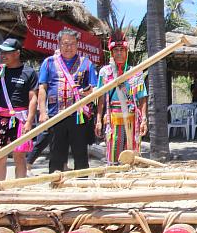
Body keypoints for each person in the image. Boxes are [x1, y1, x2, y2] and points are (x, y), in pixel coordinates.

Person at [37, 29, 97, 174]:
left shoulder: (86, 63)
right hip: (56, 116)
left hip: (79, 117)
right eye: (65, 44)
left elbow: (95, 90)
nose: (68, 47)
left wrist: (88, 93)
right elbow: (42, 88)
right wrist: (43, 112)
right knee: (56, 154)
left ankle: (82, 187)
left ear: (78, 45)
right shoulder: (49, 63)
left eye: (72, 44)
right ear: (58, 44)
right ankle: (55, 187)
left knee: (80, 154)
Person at [0, 38, 38, 181]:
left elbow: (33, 99)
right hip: (0, 118)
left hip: (19, 119)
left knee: (19, 156)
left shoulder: (28, 72)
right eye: (2, 52)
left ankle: (19, 189)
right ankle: (0, 188)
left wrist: (29, 122)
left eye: (7, 52)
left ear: (17, 53)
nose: (3, 55)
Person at [95, 29, 148, 165]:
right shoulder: (105, 73)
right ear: (111, 53)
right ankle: (114, 176)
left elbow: (142, 98)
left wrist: (144, 120)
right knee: (113, 149)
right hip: (112, 116)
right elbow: (100, 98)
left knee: (132, 151)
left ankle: (132, 178)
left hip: (132, 116)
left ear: (126, 52)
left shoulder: (135, 72)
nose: (119, 53)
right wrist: (99, 120)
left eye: (122, 50)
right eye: (116, 50)